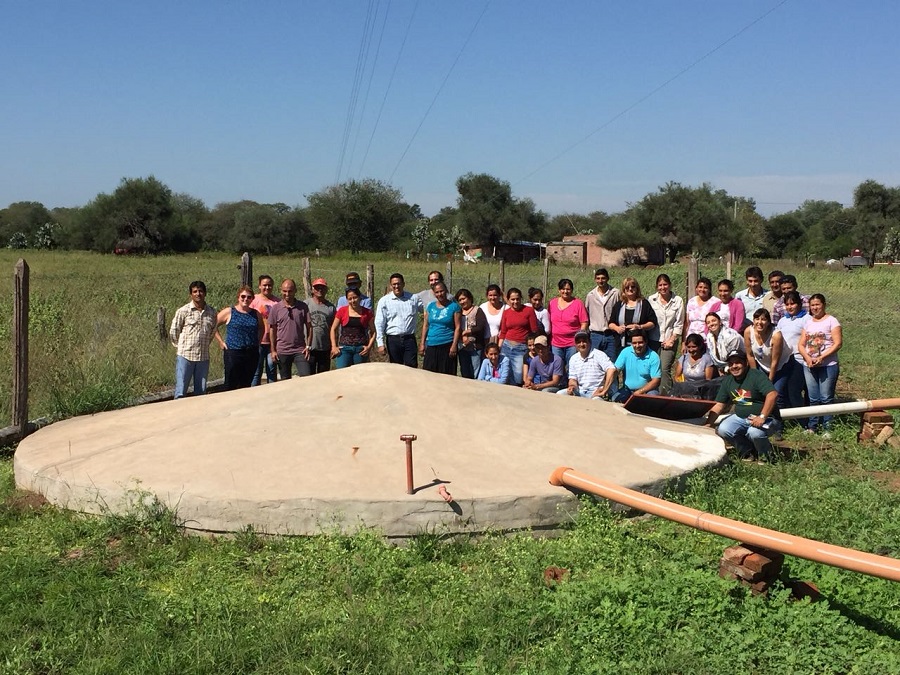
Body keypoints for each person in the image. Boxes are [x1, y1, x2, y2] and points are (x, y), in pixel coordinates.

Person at [705, 350, 781, 463]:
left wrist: (762, 416)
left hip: (768, 418)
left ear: (745, 363)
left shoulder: (756, 376)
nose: (734, 366)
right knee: (723, 429)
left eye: (737, 363)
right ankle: (747, 451)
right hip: (741, 417)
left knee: (754, 433)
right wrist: (708, 424)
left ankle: (767, 456)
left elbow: (772, 395)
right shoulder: (728, 381)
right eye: (731, 364)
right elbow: (719, 405)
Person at [797, 294, 842, 436]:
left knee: (826, 397)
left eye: (817, 304)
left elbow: (837, 343)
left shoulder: (832, 321)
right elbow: (801, 344)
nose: (815, 308)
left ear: (824, 304)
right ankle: (812, 426)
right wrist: (807, 358)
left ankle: (827, 427)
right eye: (812, 305)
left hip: (828, 365)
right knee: (813, 397)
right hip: (809, 365)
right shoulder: (808, 322)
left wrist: (822, 357)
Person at [169, 280, 217, 398]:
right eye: (195, 291)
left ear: (205, 293)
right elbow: (174, 331)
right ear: (191, 294)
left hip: (203, 357)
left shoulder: (212, 312)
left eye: (200, 291)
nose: (198, 294)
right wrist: (180, 347)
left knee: (201, 392)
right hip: (185, 356)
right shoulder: (183, 311)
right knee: (181, 391)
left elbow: (212, 332)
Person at [214, 285, 263, 390]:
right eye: (243, 296)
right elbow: (213, 325)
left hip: (251, 353)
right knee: (231, 383)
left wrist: (258, 341)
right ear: (238, 297)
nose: (246, 299)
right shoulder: (230, 312)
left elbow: (261, 328)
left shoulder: (256, 314)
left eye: (249, 297)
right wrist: (221, 342)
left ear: (252, 299)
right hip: (234, 352)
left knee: (246, 384)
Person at [744, 308, 792, 411]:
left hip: (781, 366)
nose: (759, 322)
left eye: (763, 319)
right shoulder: (748, 331)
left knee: (775, 393)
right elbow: (750, 355)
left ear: (769, 322)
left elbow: (775, 361)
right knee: (761, 393)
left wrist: (768, 382)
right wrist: (756, 376)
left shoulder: (776, 335)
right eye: (756, 319)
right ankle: (765, 417)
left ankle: (782, 422)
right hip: (762, 365)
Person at [775, 291, 811, 419]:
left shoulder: (806, 319)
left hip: (800, 361)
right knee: (781, 392)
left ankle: (802, 421)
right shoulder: (783, 320)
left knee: (794, 391)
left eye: (793, 303)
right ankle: (784, 420)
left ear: (800, 304)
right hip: (784, 361)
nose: (790, 307)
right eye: (787, 304)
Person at [375, 273, 423, 368]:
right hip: (393, 340)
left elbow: (427, 310)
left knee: (412, 367)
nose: (396, 286)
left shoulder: (413, 299)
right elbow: (379, 323)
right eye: (394, 284)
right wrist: (380, 343)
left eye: (399, 284)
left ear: (403, 284)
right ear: (390, 285)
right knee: (395, 368)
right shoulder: (384, 301)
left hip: (409, 339)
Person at [268, 279, 312, 379]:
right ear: (281, 291)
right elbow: (272, 330)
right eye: (284, 291)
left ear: (295, 290)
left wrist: (308, 346)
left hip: (300, 350)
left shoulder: (303, 307)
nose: (287, 294)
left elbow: (309, 327)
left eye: (290, 291)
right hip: (282, 350)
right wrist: (273, 350)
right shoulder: (276, 308)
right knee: (285, 380)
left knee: (306, 377)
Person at [647, 273, 684, 394]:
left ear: (670, 285)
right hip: (653, 339)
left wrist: (672, 339)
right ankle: (652, 393)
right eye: (660, 285)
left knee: (664, 368)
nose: (663, 287)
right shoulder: (651, 300)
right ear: (657, 286)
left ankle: (665, 394)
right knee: (653, 368)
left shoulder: (677, 301)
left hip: (669, 339)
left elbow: (679, 323)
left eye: (665, 284)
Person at [497, 287, 539, 386]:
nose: (515, 301)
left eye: (517, 299)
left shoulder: (528, 311)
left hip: (521, 348)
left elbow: (534, 331)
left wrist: (532, 348)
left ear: (521, 299)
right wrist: (499, 347)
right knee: (504, 374)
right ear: (508, 299)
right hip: (506, 346)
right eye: (512, 299)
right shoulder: (506, 312)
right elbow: (503, 332)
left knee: (518, 377)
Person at [558, 330, 616, 399]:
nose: (581, 344)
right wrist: (572, 387)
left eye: (584, 341)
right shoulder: (573, 358)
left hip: (595, 393)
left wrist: (604, 390)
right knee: (559, 394)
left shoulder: (599, 355)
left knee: (597, 401)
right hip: (580, 391)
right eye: (578, 342)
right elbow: (573, 379)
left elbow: (612, 370)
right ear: (575, 344)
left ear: (590, 342)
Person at [419, 281, 461, 375]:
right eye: (437, 292)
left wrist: (454, 345)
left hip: (447, 345)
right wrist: (422, 343)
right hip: (431, 345)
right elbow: (426, 325)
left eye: (441, 291)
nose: (439, 294)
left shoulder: (454, 307)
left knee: (446, 375)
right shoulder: (431, 306)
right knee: (429, 374)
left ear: (446, 291)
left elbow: (458, 327)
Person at [609, 277, 657, 354]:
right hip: (621, 345)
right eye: (627, 287)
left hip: (640, 345)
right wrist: (617, 328)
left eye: (632, 287)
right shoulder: (619, 305)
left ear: (637, 288)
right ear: (623, 289)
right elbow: (611, 323)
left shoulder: (644, 304)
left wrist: (640, 327)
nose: (630, 289)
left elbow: (653, 323)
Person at [330, 287, 376, 368]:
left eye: (355, 297)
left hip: (360, 350)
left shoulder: (367, 312)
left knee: (359, 376)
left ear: (360, 297)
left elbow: (373, 331)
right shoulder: (342, 311)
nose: (353, 301)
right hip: (344, 349)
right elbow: (333, 329)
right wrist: (334, 346)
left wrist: (369, 347)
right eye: (350, 299)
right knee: (342, 374)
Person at [548, 278, 589, 369]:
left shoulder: (578, 304)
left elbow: (584, 322)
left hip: (572, 343)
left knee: (571, 367)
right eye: (563, 289)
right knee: (557, 368)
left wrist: (580, 338)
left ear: (572, 290)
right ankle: (559, 383)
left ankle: (571, 383)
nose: (565, 291)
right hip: (556, 343)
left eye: (568, 289)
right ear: (559, 290)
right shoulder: (552, 303)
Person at [612, 331, 662, 401]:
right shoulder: (625, 352)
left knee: (653, 398)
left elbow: (656, 381)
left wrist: (639, 392)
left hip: (647, 391)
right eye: (634, 343)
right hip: (628, 390)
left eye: (640, 342)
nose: (637, 346)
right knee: (615, 398)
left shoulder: (654, 357)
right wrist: (605, 387)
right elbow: (615, 371)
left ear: (646, 342)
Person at [584, 268, 620, 361]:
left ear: (607, 278)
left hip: (611, 334)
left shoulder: (615, 293)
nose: (600, 281)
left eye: (603, 278)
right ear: (595, 279)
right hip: (595, 334)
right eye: (598, 278)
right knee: (594, 363)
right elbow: (586, 313)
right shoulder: (590, 295)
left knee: (611, 363)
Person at [250, 274, 279, 385]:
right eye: (264, 285)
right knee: (256, 371)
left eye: (269, 285)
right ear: (259, 286)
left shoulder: (277, 302)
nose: (267, 288)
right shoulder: (253, 300)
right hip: (258, 341)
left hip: (272, 342)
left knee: (271, 369)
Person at [672, 333, 718, 399]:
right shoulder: (683, 358)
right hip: (685, 390)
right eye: (689, 347)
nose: (691, 350)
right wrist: (683, 388)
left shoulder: (706, 359)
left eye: (694, 347)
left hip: (701, 392)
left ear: (700, 346)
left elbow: (708, 381)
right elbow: (677, 377)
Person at [305, 277, 335, 375]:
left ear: (326, 290)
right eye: (317, 288)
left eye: (322, 288)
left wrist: (333, 345)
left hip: (325, 347)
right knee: (309, 376)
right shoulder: (306, 304)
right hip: (309, 347)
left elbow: (333, 328)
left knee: (323, 376)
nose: (320, 290)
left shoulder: (330, 307)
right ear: (312, 289)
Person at [455, 288, 488, 379]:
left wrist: (467, 332)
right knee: (464, 370)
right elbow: (455, 326)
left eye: (464, 298)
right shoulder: (458, 312)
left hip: (475, 347)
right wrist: (463, 336)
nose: (462, 302)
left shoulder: (477, 310)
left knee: (476, 370)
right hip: (462, 346)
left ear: (469, 298)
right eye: (460, 300)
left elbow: (480, 327)